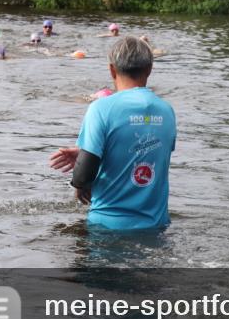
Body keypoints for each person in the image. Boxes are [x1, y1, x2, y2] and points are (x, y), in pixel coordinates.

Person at [49, 36, 177, 231]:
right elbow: (148, 152)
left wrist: (80, 177)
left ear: (111, 70)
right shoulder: (166, 111)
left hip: (107, 228)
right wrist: (95, 153)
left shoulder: (101, 109)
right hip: (157, 227)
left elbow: (84, 176)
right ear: (150, 69)